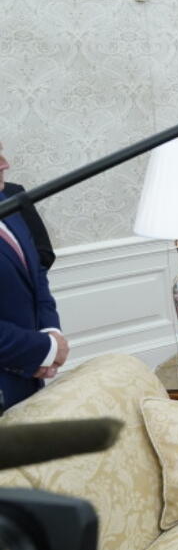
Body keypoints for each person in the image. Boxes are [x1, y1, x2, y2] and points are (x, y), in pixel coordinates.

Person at [0, 141, 68, 412]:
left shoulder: (9, 200)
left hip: (27, 380)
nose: (5, 163)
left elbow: (37, 268)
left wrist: (51, 331)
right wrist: (44, 347)